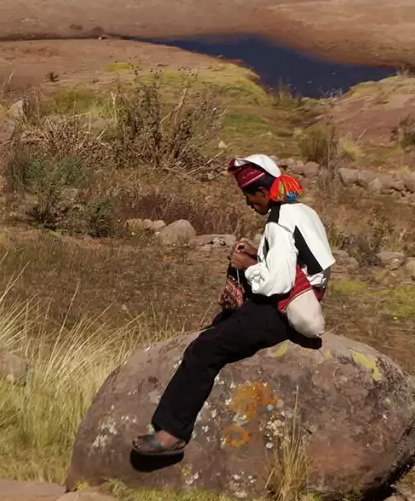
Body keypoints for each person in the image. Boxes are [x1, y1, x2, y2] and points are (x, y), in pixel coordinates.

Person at [131, 154, 335, 457]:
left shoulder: (278, 223)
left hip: (279, 309)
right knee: (220, 329)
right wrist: (258, 256)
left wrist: (247, 266)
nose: (248, 204)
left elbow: (276, 284)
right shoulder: (301, 211)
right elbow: (298, 264)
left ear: (263, 193)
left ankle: (171, 433)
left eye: (249, 197)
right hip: (305, 297)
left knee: (203, 350)